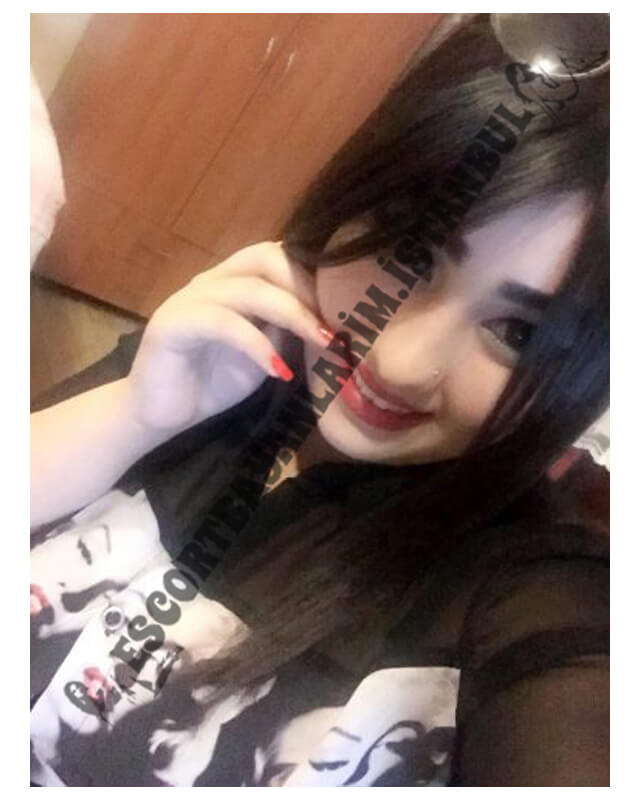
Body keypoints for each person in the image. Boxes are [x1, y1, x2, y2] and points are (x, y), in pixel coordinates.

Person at [30, 14, 609, 786]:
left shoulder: (525, 591)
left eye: (517, 333)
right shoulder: (227, 349)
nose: (399, 361)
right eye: (412, 250)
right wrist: (135, 413)